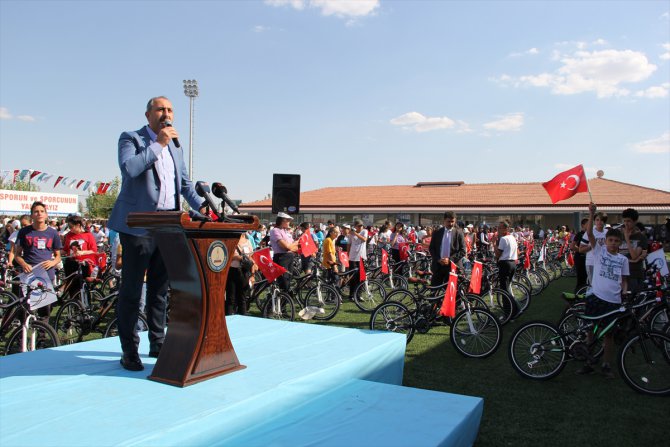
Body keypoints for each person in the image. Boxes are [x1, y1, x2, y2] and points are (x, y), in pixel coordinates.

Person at [108, 96, 206, 372]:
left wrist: (205, 209)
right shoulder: (132, 138)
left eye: (170, 109)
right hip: (137, 227)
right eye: (161, 109)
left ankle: (158, 342)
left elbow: (185, 185)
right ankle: (130, 350)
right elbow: (130, 170)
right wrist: (159, 143)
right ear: (148, 114)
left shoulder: (176, 146)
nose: (167, 113)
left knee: (160, 291)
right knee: (131, 290)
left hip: (168, 228)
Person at [578, 202, 629, 379]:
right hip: (596, 298)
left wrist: (624, 293)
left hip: (613, 302)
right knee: (590, 331)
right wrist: (591, 214)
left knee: (608, 336)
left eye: (616, 241)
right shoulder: (598, 251)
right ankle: (588, 362)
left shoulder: (623, 260)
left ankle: (606, 365)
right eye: (610, 240)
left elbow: (624, 281)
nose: (613, 244)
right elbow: (590, 233)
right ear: (605, 241)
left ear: (620, 243)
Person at [13, 201, 63, 319]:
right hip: (28, 273)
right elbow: (17, 255)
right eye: (36, 212)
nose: (39, 214)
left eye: (42, 211)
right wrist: (24, 264)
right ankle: (22, 335)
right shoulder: (24, 232)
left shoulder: (53, 233)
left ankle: (42, 336)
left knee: (45, 309)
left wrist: (52, 262)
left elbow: (58, 256)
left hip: (46, 274)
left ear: (46, 215)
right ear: (32, 215)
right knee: (24, 308)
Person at [62, 215, 98, 298]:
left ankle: (85, 306)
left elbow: (94, 250)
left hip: (83, 264)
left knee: (83, 287)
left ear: (78, 225)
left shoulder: (88, 235)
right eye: (69, 226)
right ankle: (74, 305)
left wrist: (83, 252)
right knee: (72, 287)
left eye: (71, 226)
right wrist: (55, 252)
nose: (70, 229)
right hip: (70, 264)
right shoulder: (69, 235)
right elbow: (65, 249)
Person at [428, 212, 466, 287]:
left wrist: (449, 260)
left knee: (452, 293)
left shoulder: (459, 233)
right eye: (449, 221)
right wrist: (438, 259)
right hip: (438, 266)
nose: (451, 224)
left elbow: (463, 251)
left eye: (453, 222)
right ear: (444, 221)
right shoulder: (437, 232)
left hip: (453, 267)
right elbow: (431, 248)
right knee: (434, 291)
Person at [226, 233, 257, 316]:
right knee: (231, 298)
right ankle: (228, 318)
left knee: (242, 298)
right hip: (232, 271)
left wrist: (253, 274)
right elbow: (228, 255)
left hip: (244, 272)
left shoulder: (248, 241)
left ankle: (242, 318)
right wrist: (239, 258)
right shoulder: (232, 241)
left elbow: (251, 257)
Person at [619, 208, 648, 294]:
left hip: (634, 274)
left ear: (635, 222)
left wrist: (627, 238)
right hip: (620, 274)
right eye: (624, 221)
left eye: (629, 221)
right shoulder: (619, 235)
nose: (626, 224)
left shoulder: (641, 237)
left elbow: (634, 256)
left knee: (633, 301)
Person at [270, 212, 299, 292]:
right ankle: (280, 302)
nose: (289, 222)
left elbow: (294, 247)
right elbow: (286, 247)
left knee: (288, 280)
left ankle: (283, 301)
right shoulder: (275, 231)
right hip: (281, 257)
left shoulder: (286, 232)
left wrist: (292, 246)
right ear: (283, 221)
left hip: (289, 257)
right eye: (288, 220)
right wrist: (294, 244)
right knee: (284, 282)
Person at [494, 220, 518, 296]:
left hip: (505, 264)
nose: (498, 230)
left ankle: (508, 307)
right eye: (498, 228)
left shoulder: (503, 239)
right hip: (513, 263)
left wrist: (494, 244)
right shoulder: (512, 237)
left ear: (506, 229)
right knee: (507, 286)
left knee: (504, 288)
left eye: (500, 228)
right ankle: (511, 304)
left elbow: (498, 254)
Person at [347, 219, 368, 300]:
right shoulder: (350, 234)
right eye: (358, 226)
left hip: (361, 257)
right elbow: (349, 244)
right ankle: (351, 295)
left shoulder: (364, 231)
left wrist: (355, 233)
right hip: (352, 258)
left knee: (361, 277)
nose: (360, 227)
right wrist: (348, 254)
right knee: (352, 277)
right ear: (355, 226)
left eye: (361, 225)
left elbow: (364, 239)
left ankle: (359, 295)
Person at [571, 218, 588, 293]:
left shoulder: (590, 234)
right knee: (581, 279)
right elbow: (572, 246)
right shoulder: (579, 234)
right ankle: (576, 295)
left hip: (587, 259)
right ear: (582, 225)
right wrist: (582, 250)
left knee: (587, 279)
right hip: (580, 258)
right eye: (587, 224)